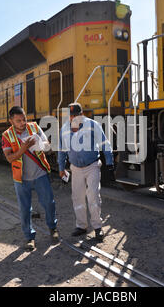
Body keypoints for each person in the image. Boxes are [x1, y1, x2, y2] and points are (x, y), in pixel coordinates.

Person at [2, 106, 58, 251]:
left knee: (49, 203)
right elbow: (9, 158)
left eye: (24, 119)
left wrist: (41, 145)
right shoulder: (6, 135)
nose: (23, 123)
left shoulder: (34, 127)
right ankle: (29, 238)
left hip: (40, 174)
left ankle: (53, 228)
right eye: (19, 120)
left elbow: (47, 145)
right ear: (11, 121)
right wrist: (23, 148)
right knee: (25, 209)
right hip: (21, 179)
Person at [58, 103, 115, 242]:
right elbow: (61, 150)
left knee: (93, 196)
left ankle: (97, 227)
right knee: (77, 197)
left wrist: (109, 161)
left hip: (92, 166)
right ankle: (81, 226)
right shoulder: (64, 129)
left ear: (81, 114)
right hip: (75, 168)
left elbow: (104, 143)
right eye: (71, 115)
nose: (73, 118)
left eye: (76, 115)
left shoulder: (93, 125)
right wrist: (61, 168)